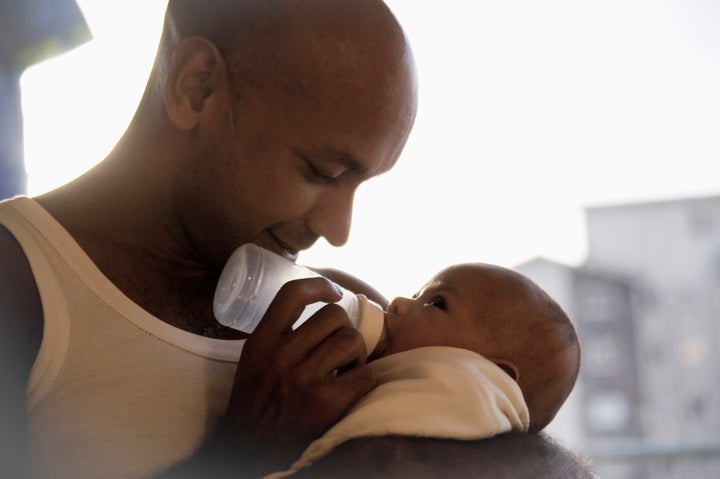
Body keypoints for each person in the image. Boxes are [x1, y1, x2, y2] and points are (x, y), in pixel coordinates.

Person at [0, 1, 592, 478]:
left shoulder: (341, 308)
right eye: (324, 173)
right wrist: (241, 452)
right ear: (198, 87)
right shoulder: (20, 282)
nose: (338, 233)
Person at [265, 262, 581, 477]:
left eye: (436, 303)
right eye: (417, 294)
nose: (399, 303)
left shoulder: (468, 390)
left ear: (495, 374)